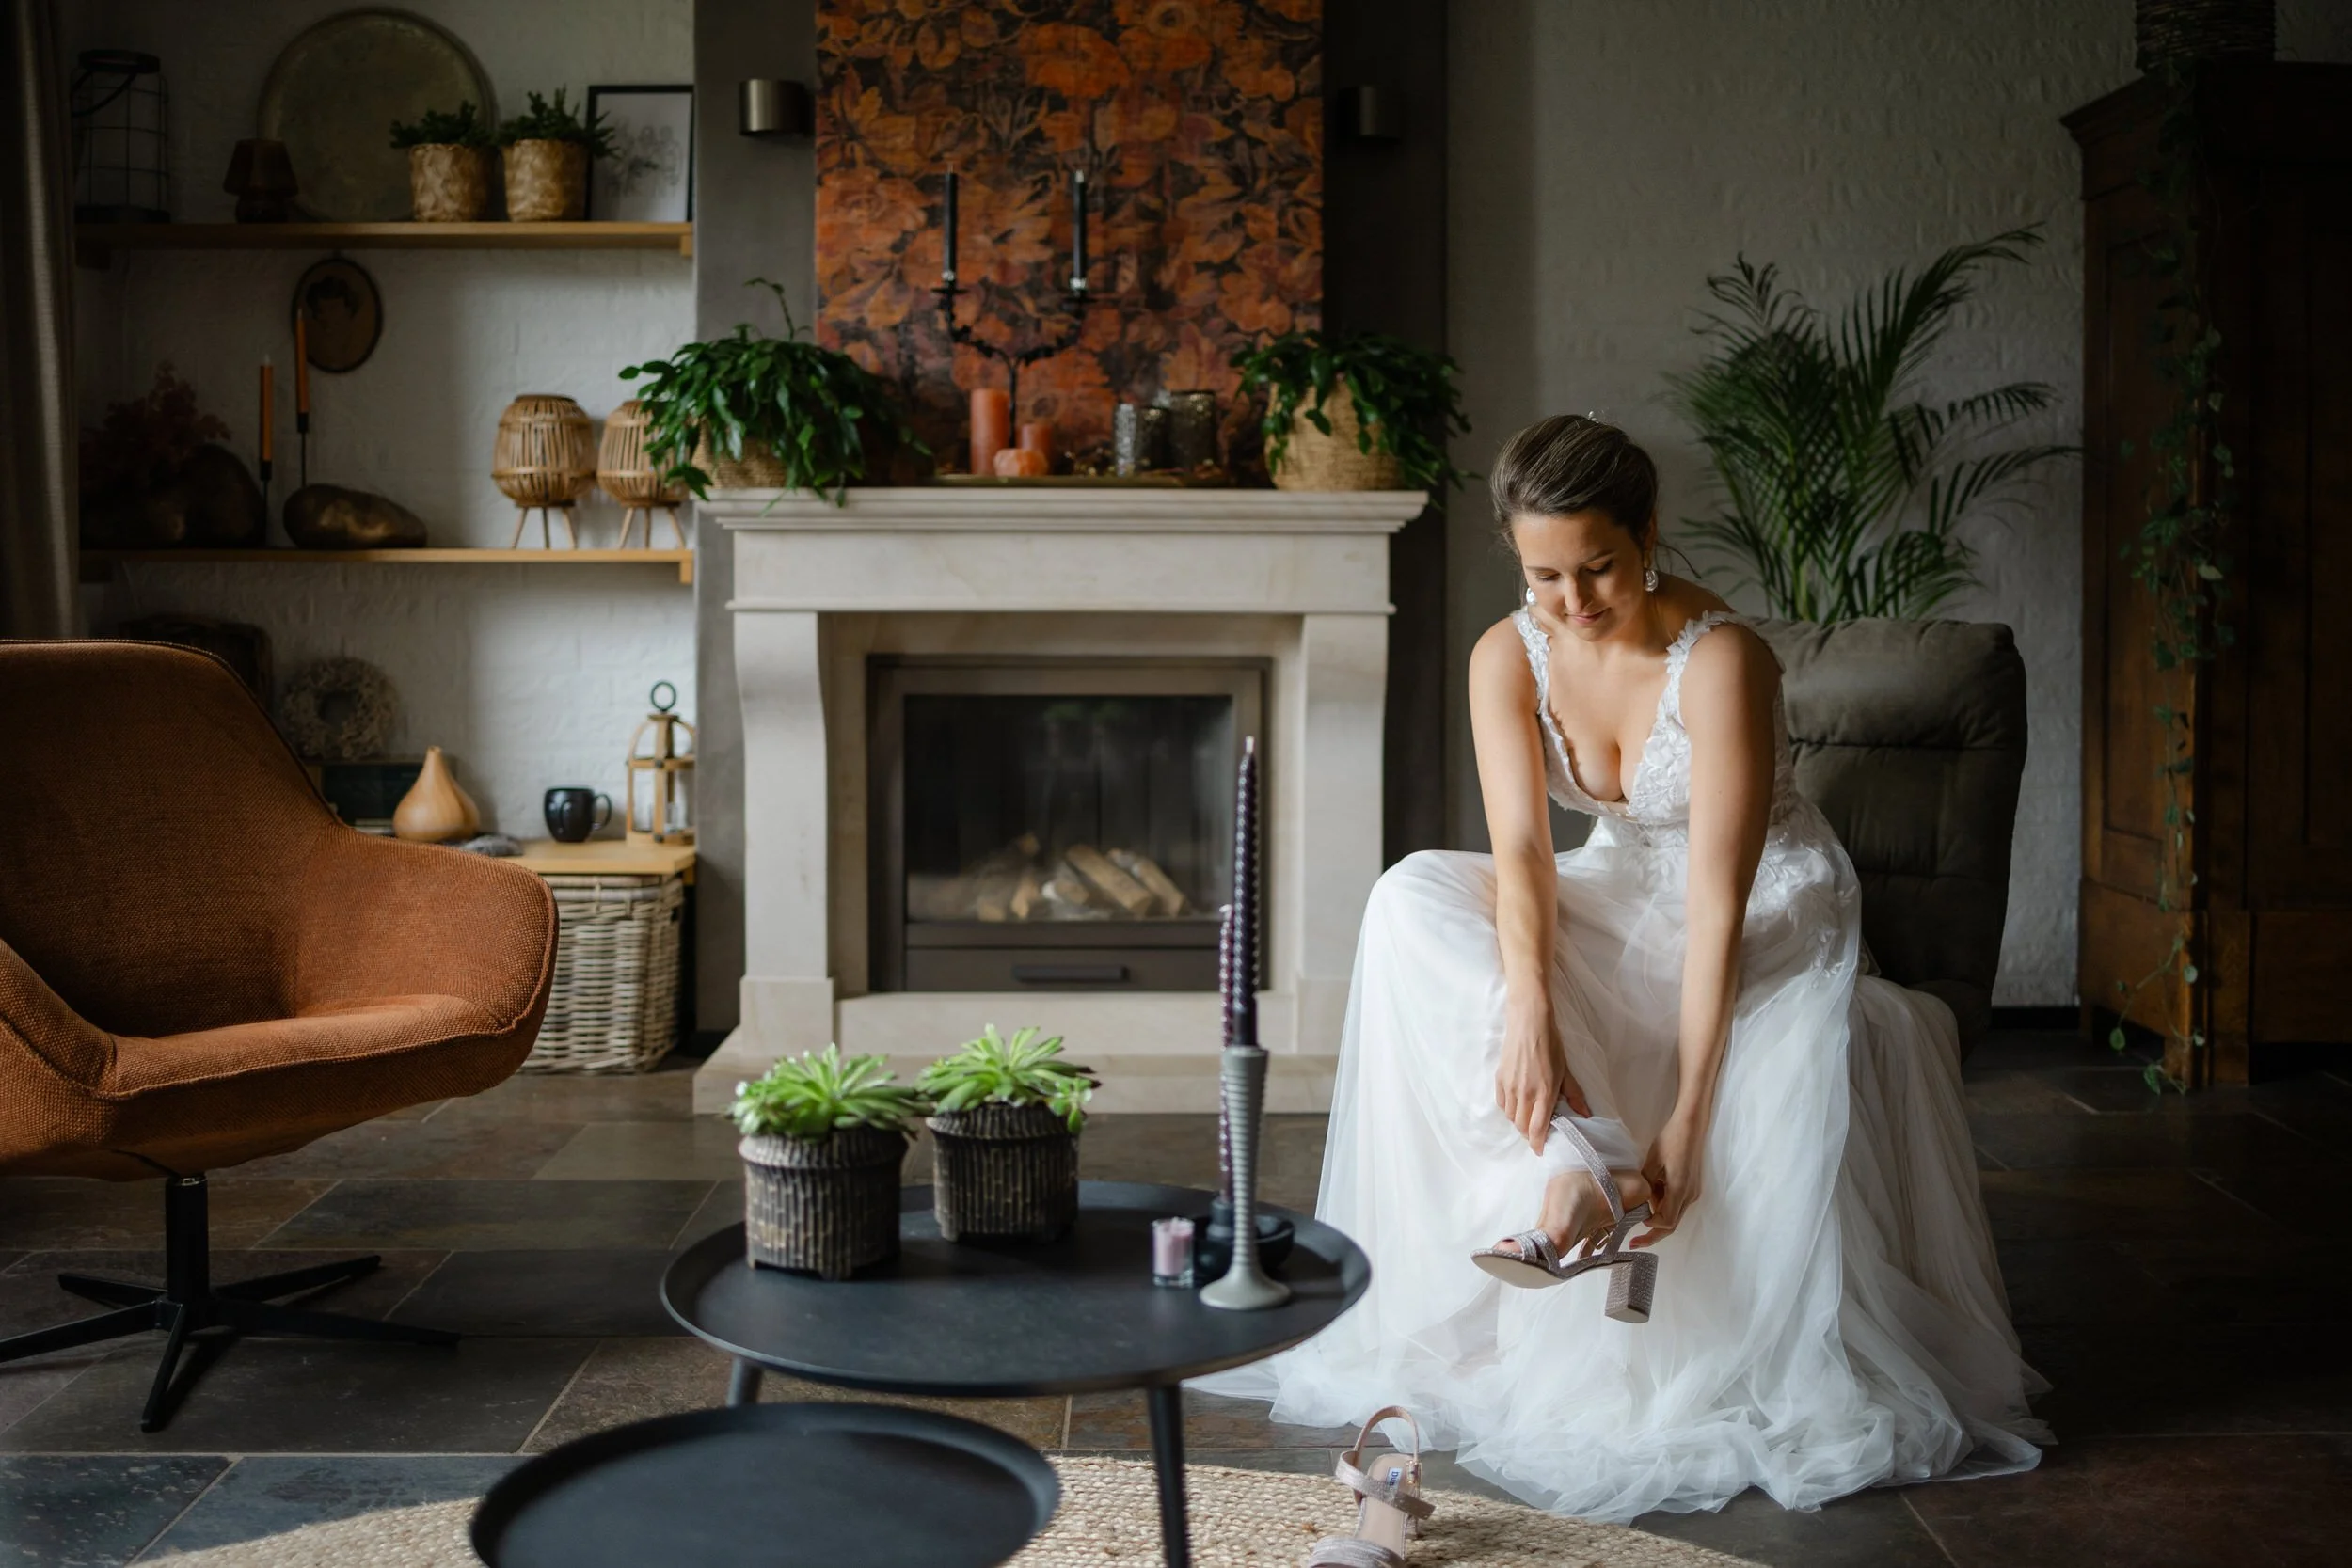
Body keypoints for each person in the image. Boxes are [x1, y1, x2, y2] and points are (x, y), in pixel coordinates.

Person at [1202, 415, 2047, 1524]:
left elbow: (1714, 897)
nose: (1572, 600)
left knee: (1653, 990)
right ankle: (1580, 1157)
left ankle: (1593, 1173)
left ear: (1647, 534)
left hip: (1758, 901)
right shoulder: (1509, 651)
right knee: (1411, 889)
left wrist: (1692, 1114)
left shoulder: (1723, 660)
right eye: (1543, 573)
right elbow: (1518, 853)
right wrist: (1529, 1013)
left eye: (1597, 566)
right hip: (1610, 880)